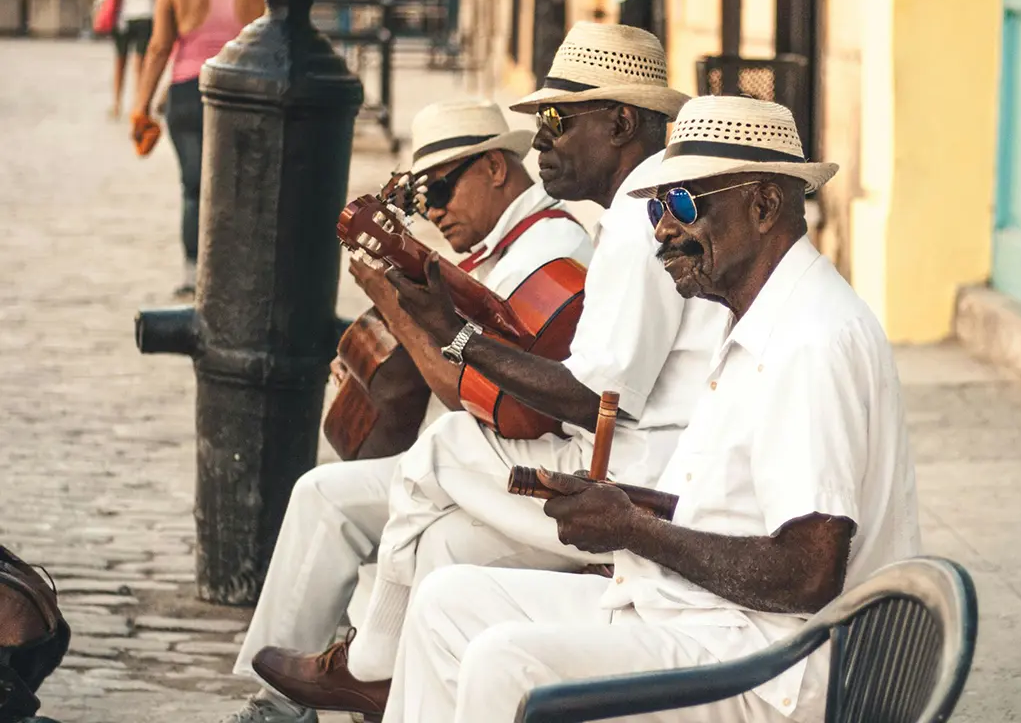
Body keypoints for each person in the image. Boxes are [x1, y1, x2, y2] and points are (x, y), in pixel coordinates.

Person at [377, 95, 921, 723]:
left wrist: (636, 531)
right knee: (448, 600)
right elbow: (738, 508)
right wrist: (625, 509)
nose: (663, 228)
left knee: (504, 662)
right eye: (659, 207)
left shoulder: (810, 342)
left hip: (774, 666)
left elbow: (808, 572)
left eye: (685, 204)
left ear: (765, 205)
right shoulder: (756, 318)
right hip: (708, 619)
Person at [246, 23, 732, 721]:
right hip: (643, 456)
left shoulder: (638, 220)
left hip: (639, 478)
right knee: (441, 543)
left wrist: (461, 336)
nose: (541, 142)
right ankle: (359, 683)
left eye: (559, 121)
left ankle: (369, 666)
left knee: (444, 449)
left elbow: (594, 396)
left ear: (622, 121)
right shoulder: (643, 208)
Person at [219, 99, 595, 723]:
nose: (435, 212)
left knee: (379, 509)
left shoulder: (548, 250)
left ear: (497, 169)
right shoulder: (493, 250)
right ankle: (283, 701)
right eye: (422, 201)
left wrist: (393, 306)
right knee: (324, 494)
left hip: (528, 464)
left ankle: (355, 680)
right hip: (492, 456)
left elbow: (479, 395)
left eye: (442, 188)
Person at [131, 0, 264, 298]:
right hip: (238, 94)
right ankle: (233, 268)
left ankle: (193, 273)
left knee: (193, 186)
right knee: (237, 186)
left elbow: (158, 49)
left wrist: (140, 107)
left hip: (189, 92)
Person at [102, 0, 161, 119]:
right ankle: (139, 103)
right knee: (141, 64)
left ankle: (117, 103)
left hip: (124, 17)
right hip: (147, 16)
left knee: (120, 62)